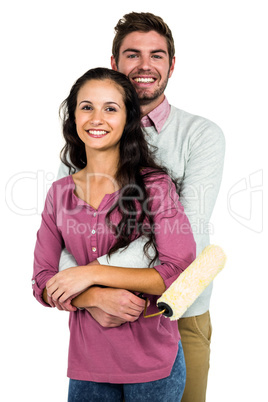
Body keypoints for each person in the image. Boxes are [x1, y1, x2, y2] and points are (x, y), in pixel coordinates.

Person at [56, 12, 225, 402]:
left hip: (176, 310)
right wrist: (89, 296)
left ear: (171, 65)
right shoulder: (85, 136)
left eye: (157, 55)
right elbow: (65, 234)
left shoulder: (201, 136)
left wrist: (92, 275)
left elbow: (186, 232)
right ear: (114, 63)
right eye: (132, 54)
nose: (144, 65)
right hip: (100, 314)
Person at [32, 67, 196, 401]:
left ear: (128, 119)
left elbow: (179, 271)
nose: (97, 118)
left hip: (153, 367)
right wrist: (90, 297)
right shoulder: (59, 194)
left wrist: (91, 273)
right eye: (86, 107)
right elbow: (42, 281)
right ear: (73, 117)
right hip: (87, 366)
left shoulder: (155, 186)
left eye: (110, 108)